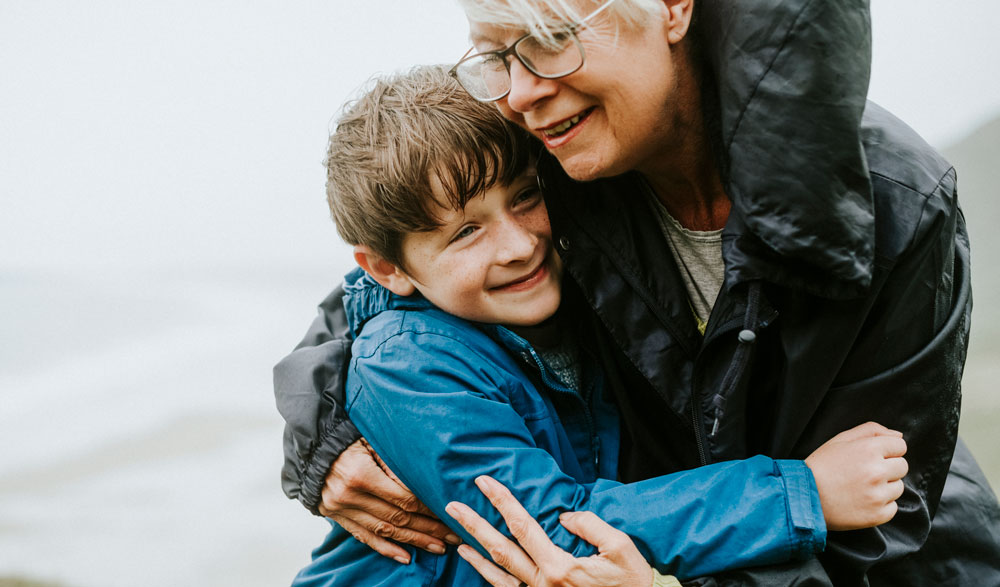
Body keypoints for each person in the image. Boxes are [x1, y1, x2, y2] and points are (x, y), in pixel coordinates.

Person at [276, 0, 1000, 585]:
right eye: (498, 55)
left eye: (552, 36)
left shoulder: (900, 206)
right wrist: (324, 431)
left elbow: (881, 513)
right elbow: (390, 297)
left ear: (673, 7)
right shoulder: (553, 149)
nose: (521, 91)